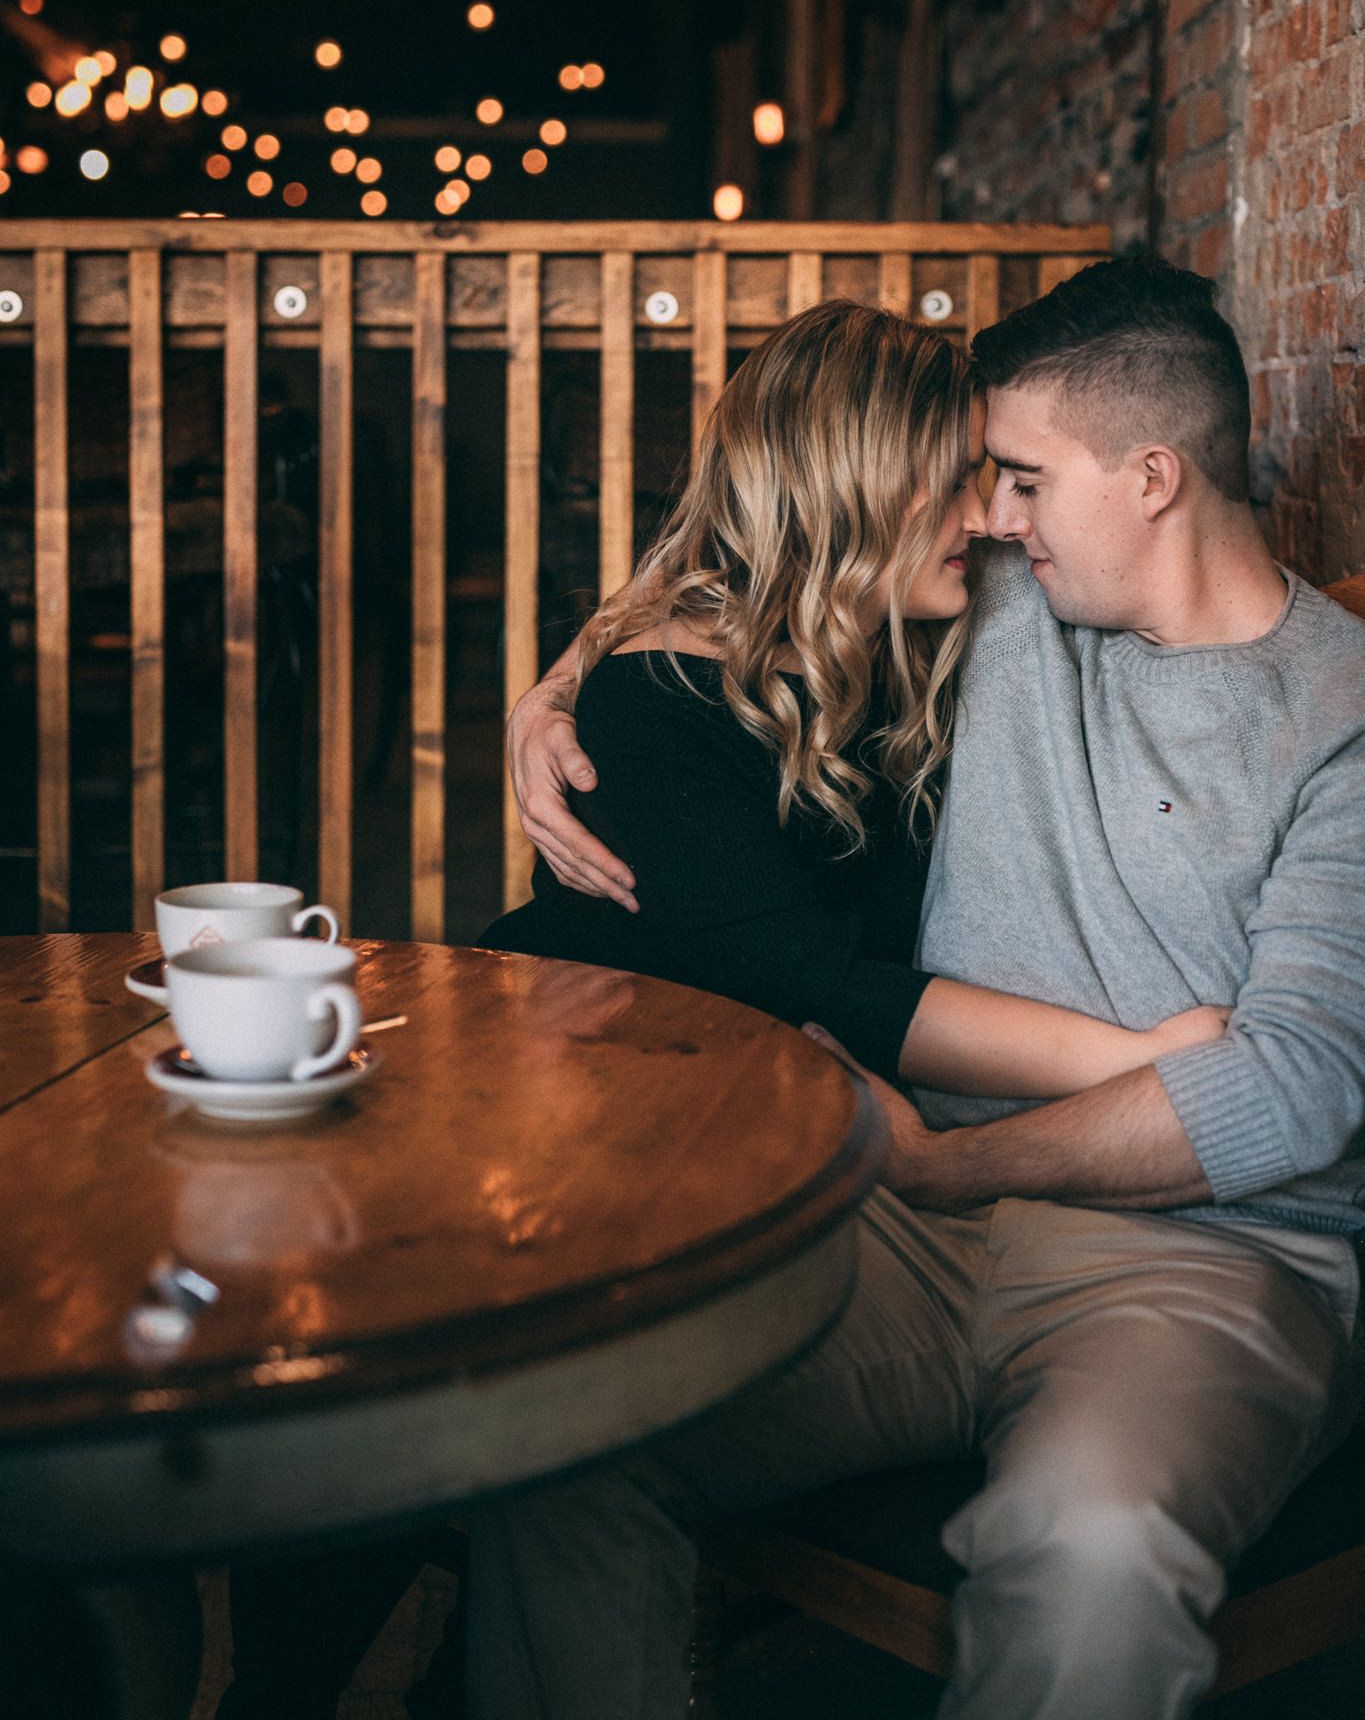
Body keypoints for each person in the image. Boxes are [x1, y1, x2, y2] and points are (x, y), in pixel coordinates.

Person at [470, 257, 1365, 1720]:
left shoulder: (1340, 720)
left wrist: (951, 1167)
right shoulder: (1007, 599)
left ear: (1148, 479)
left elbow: (1292, 1087)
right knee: (564, 1423)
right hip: (907, 1230)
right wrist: (559, 693)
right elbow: (760, 560)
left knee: (1091, 1548)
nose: (986, 515)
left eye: (1013, 478)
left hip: (1201, 1257)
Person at [482, 297, 1226, 1096]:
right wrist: (1136, 1060)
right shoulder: (654, 710)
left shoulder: (913, 634)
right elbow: (816, 987)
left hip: (765, 1101)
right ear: (848, 491)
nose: (985, 517)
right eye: (950, 485)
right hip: (599, 1091)